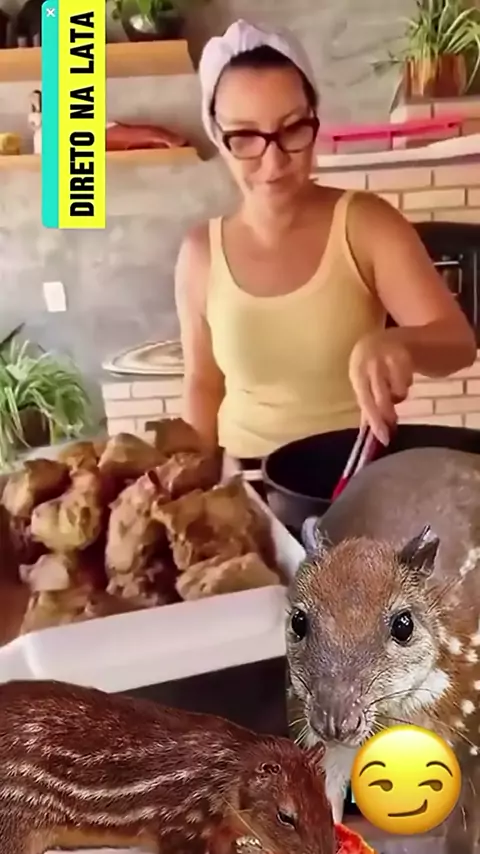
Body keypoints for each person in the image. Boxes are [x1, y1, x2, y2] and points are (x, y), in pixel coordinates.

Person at [175, 18, 476, 463]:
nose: (273, 161)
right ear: (219, 138)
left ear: (314, 121)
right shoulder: (200, 252)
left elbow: (457, 344)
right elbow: (202, 383)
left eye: (292, 129)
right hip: (243, 484)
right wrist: (186, 481)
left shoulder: (367, 225)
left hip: (351, 473)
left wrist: (401, 343)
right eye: (245, 136)